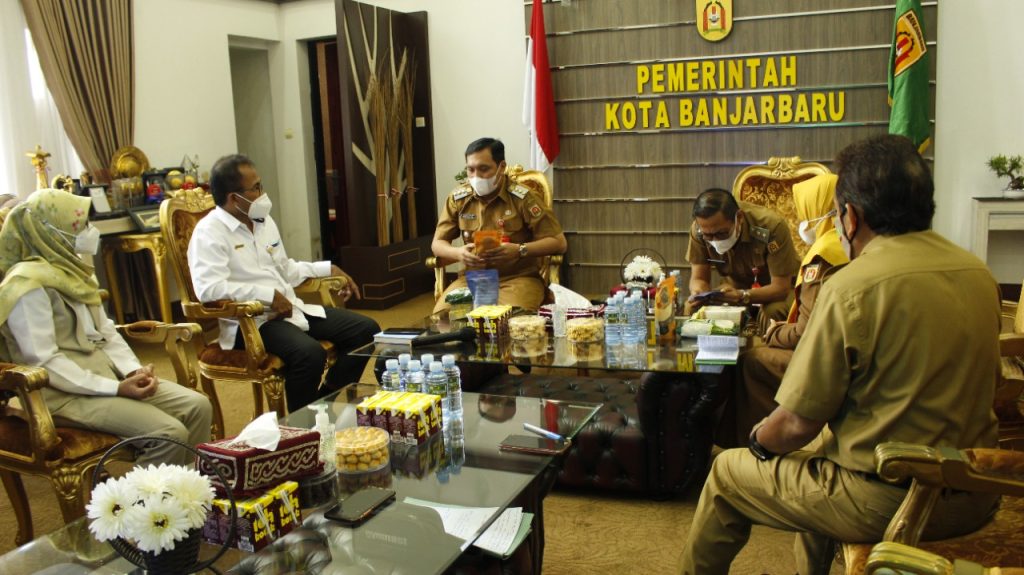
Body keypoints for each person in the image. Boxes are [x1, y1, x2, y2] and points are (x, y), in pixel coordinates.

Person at [679, 135, 1002, 575]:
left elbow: (794, 425)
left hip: (891, 498)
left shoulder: (851, 286)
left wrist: (756, 441)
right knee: (821, 456)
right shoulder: (978, 273)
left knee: (727, 473)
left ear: (850, 217)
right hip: (979, 489)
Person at [0, 189, 212, 466]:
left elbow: (106, 331)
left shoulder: (71, 271)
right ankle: (146, 495)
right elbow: (44, 361)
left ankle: (188, 487)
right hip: (63, 395)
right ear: (51, 232)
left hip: (107, 377)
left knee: (198, 406)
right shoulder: (27, 286)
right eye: (81, 225)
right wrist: (115, 388)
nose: (90, 231)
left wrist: (133, 371)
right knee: (168, 433)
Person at [189, 154, 379, 412]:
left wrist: (327, 268)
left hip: (290, 309)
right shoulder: (209, 232)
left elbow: (284, 269)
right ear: (234, 198)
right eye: (256, 187)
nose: (262, 193)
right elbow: (209, 290)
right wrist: (267, 295)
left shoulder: (263, 221)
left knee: (366, 330)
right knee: (309, 354)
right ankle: (303, 427)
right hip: (251, 324)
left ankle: (324, 403)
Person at [722, 174, 849, 447]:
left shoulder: (823, 256)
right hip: (840, 349)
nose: (802, 221)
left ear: (819, 210)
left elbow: (804, 331)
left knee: (751, 360)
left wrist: (774, 333)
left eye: (805, 212)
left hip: (826, 360)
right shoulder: (846, 245)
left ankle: (753, 441)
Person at [431, 137, 567, 313]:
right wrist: (458, 253)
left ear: (501, 167)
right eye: (470, 170)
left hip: (518, 279)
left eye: (484, 169)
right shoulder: (459, 199)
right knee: (443, 318)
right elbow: (437, 243)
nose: (476, 176)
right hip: (471, 280)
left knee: (510, 320)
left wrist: (519, 250)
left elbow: (559, 242)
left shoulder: (523, 198)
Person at [685, 188, 800, 334]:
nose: (715, 240)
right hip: (733, 290)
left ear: (739, 218)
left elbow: (780, 288)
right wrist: (699, 292)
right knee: (693, 308)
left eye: (722, 233)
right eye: (708, 236)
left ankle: (767, 348)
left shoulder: (770, 226)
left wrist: (743, 296)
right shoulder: (699, 230)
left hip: (781, 291)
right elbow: (699, 278)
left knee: (772, 311)